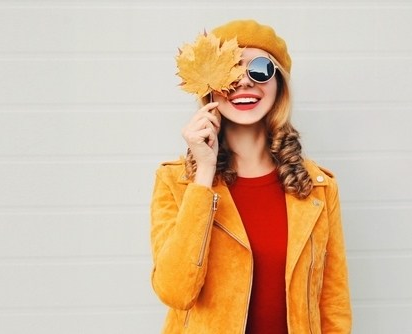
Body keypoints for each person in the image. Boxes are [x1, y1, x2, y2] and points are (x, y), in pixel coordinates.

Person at [150, 19, 352, 333]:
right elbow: (175, 291)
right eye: (230, 69)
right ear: (209, 87)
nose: (244, 82)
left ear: (279, 83)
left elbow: (333, 305)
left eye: (259, 69)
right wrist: (204, 172)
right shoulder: (175, 182)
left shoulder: (318, 188)